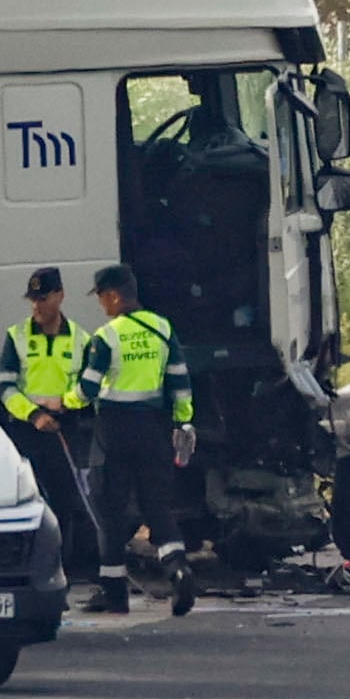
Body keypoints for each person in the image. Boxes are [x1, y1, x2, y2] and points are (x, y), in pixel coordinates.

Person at [76, 262, 198, 618]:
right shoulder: (162, 329)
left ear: (114, 296)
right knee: (156, 507)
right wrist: (184, 422)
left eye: (101, 298)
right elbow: (179, 382)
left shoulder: (106, 336)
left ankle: (114, 595)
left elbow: (87, 389)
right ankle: (178, 569)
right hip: (154, 430)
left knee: (109, 512)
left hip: (113, 432)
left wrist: (62, 403)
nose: (101, 305)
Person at [0, 268, 98, 593]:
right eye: (33, 300)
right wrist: (34, 414)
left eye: (42, 299)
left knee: (65, 505)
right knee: (23, 503)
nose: (36, 307)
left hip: (63, 432)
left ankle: (58, 578)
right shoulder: (18, 335)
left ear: (59, 296)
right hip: (25, 431)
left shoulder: (81, 339)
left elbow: (89, 389)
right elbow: (6, 388)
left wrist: (67, 405)